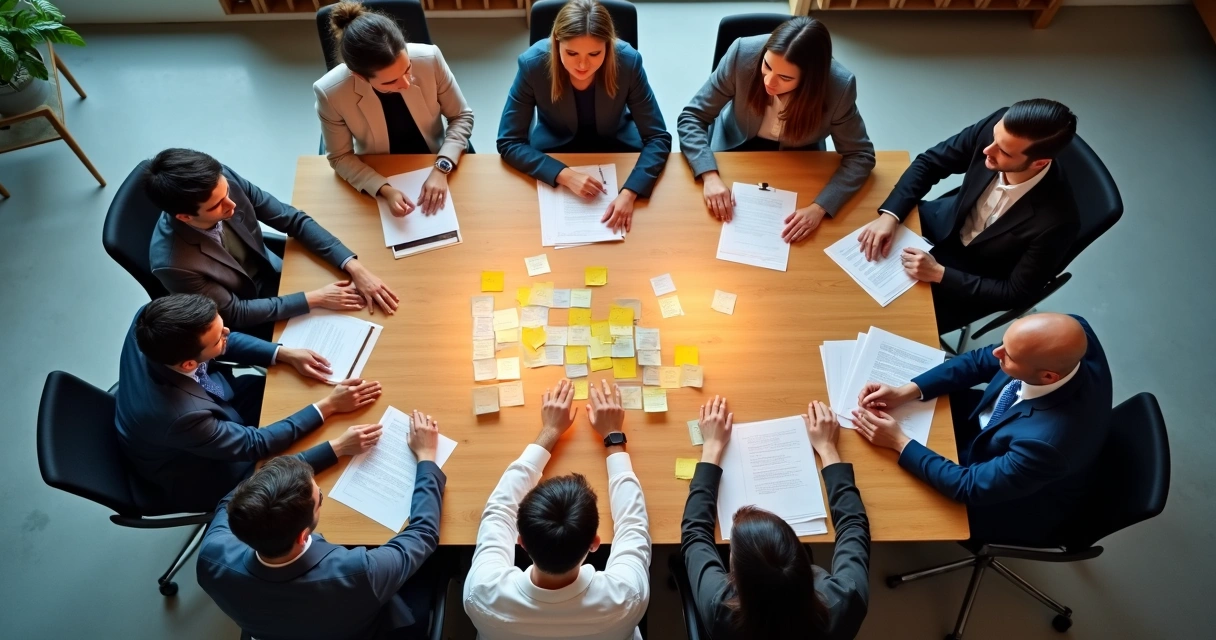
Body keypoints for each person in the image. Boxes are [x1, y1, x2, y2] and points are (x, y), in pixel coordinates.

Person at [852, 313, 1111, 545]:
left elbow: (969, 486)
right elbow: (978, 362)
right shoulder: (1074, 332)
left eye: (1008, 355)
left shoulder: (1047, 444)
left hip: (1002, 493)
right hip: (993, 426)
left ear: (1048, 377)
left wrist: (898, 441)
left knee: (880, 488)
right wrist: (906, 391)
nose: (996, 352)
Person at [115, 294, 383, 512]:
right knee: (295, 468)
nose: (228, 332)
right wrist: (330, 406)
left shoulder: (152, 319)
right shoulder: (179, 416)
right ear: (188, 364)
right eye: (220, 336)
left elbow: (222, 341)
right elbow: (255, 444)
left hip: (212, 401)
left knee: (292, 395)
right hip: (200, 472)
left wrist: (284, 353)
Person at [198, 410, 445, 640]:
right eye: (319, 498)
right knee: (440, 559)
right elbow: (423, 534)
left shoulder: (211, 556)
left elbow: (240, 493)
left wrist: (336, 447)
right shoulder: (357, 572)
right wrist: (426, 458)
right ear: (302, 535)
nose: (321, 493)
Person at [857, 99, 1080, 333]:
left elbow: (1015, 293)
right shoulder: (999, 127)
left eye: (1003, 151)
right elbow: (931, 163)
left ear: (1039, 163)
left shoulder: (1059, 222)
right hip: (941, 223)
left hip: (969, 278)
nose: (987, 150)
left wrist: (939, 273)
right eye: (994, 137)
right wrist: (890, 216)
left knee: (887, 326)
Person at [463, 379, 651, 640]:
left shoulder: (482, 593)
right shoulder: (627, 596)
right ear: (595, 544)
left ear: (521, 543)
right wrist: (613, 438)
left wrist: (550, 431)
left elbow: (499, 510)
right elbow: (633, 525)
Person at [146, 147, 399, 333]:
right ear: (185, 216)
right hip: (251, 313)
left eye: (226, 192)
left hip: (274, 270)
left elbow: (292, 219)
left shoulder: (223, 180)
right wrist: (316, 298)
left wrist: (353, 267)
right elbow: (235, 313)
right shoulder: (173, 263)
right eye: (217, 206)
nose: (232, 204)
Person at [681, 397, 870, 640]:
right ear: (803, 559)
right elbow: (854, 526)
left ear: (734, 578)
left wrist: (712, 447)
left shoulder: (720, 610)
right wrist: (827, 448)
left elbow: (694, 534)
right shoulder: (845, 602)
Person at [678, 16, 875, 243]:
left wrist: (819, 207)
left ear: (810, 79)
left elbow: (861, 155)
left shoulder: (839, 87)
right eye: (767, 66)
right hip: (736, 142)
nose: (769, 82)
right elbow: (692, 117)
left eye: (785, 77)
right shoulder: (742, 54)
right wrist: (710, 176)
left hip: (799, 155)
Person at [497, 0, 671, 234]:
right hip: (553, 151)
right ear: (556, 41)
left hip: (618, 149)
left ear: (608, 47)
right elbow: (509, 141)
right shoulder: (532, 65)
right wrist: (564, 175)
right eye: (571, 53)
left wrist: (630, 192)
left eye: (594, 53)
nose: (582, 64)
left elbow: (658, 137)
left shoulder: (628, 62)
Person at [315, 1, 475, 216]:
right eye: (390, 82)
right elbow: (340, 156)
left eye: (407, 69)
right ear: (360, 77)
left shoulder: (430, 59)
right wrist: (383, 190)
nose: (406, 84)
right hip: (379, 167)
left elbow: (461, 116)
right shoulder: (330, 92)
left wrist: (441, 168)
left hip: (434, 155)